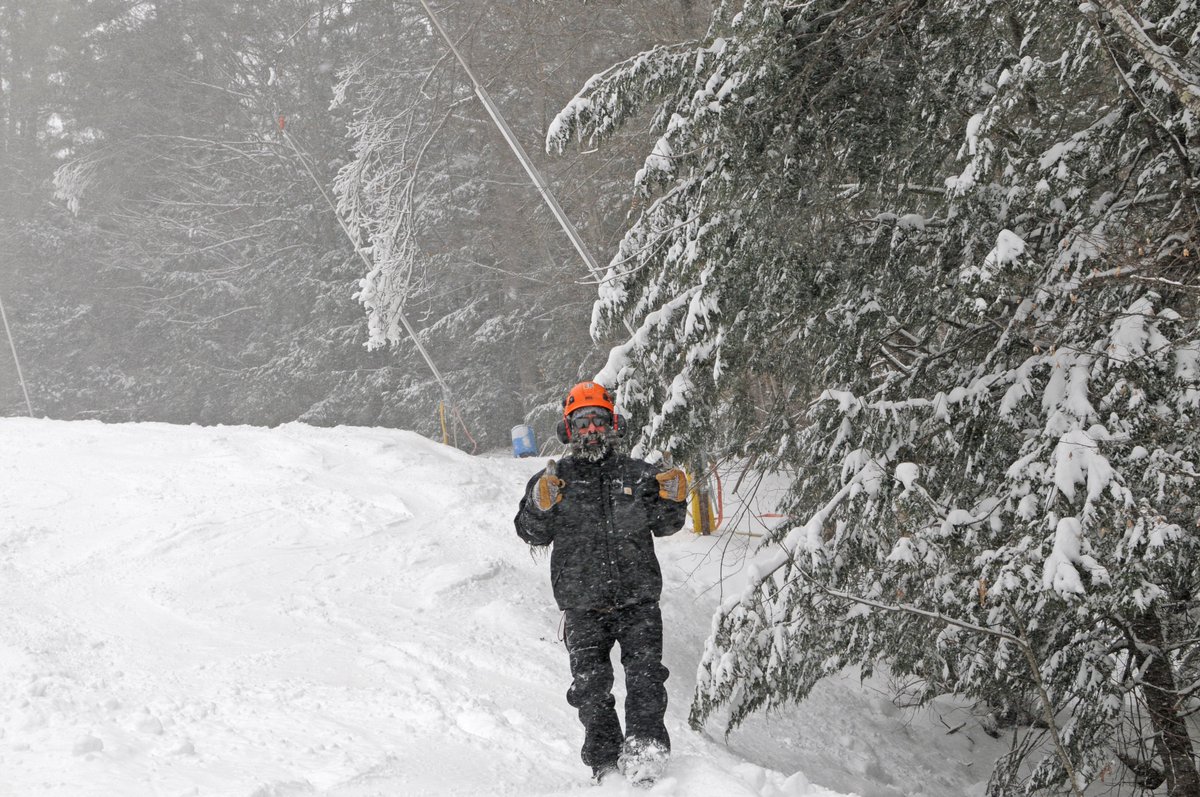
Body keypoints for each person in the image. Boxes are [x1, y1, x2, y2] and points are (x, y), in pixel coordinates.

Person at [514, 381, 689, 786]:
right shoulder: (553, 479)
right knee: (591, 689)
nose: (591, 429)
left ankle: (645, 751)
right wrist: (540, 506)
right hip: (582, 607)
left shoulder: (639, 473)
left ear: (613, 425)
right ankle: (606, 765)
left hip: (638, 601)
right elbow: (530, 533)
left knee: (646, 677)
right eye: (581, 422)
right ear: (568, 430)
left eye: (598, 420)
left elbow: (666, 525)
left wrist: (674, 499)